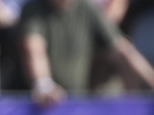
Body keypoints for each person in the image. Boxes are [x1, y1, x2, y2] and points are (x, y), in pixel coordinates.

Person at [20, 0, 154, 103]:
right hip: (38, 107)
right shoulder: (33, 9)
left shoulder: (88, 8)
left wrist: (151, 81)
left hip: (78, 103)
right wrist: (44, 85)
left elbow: (122, 50)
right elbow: (33, 49)